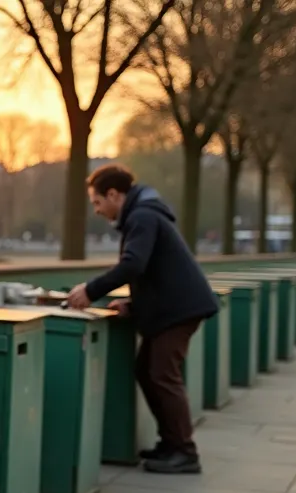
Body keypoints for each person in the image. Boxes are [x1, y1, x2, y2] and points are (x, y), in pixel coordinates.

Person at [66, 164, 219, 474]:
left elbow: (134, 264)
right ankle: (171, 443)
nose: (96, 210)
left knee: (163, 374)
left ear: (113, 195)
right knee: (147, 371)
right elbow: (157, 274)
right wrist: (133, 306)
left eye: (97, 202)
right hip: (175, 306)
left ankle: (185, 452)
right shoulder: (143, 214)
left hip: (179, 310)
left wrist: (90, 290)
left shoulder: (142, 216)